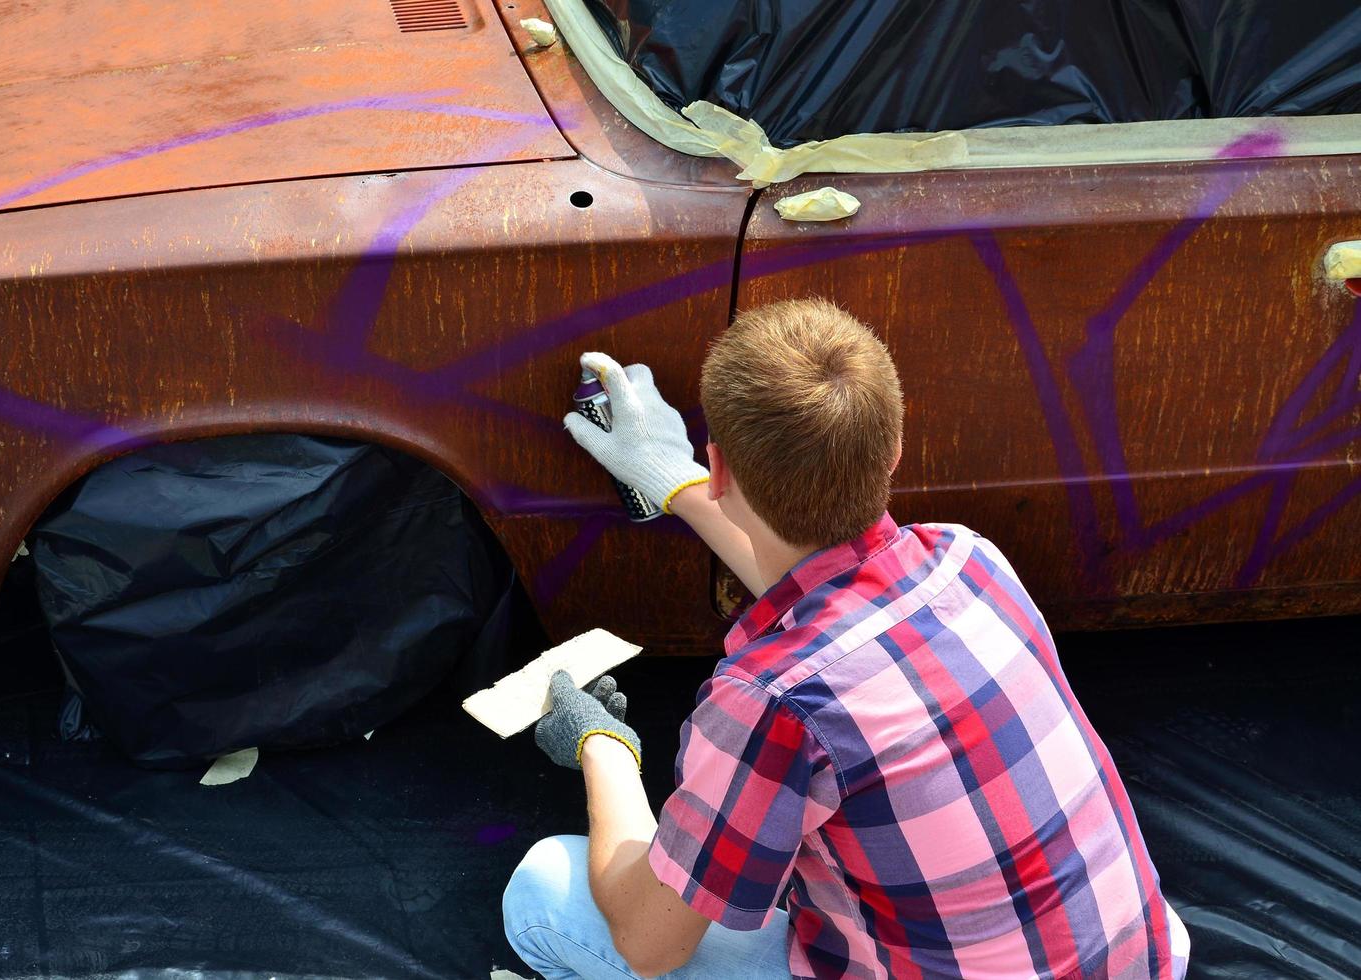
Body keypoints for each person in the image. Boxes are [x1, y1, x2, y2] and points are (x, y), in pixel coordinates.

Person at [502, 299, 1190, 979]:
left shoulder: (772, 703)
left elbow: (649, 944)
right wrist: (668, 478)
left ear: (721, 466)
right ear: (892, 448)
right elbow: (823, 588)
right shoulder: (968, 558)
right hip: (1142, 963)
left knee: (543, 891)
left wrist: (603, 747)